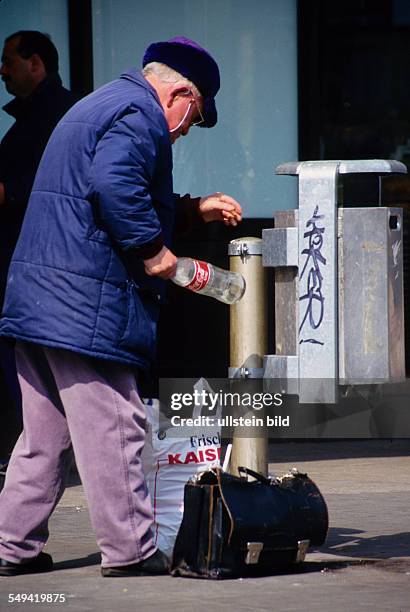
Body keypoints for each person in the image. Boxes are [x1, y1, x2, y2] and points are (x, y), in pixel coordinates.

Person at [0, 36, 242, 577]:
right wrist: (155, 253)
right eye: (193, 117)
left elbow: (97, 189)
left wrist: (192, 210)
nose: (184, 131)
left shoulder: (102, 102)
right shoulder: (139, 113)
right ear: (179, 92)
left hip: (41, 298)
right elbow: (114, 185)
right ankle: (131, 549)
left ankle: (11, 547)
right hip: (85, 303)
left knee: (45, 437)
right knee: (117, 424)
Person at [0, 31, 78, 456]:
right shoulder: (30, 119)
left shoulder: (61, 116)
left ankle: (38, 449)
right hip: (24, 264)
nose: (2, 70)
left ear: (36, 63)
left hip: (39, 266)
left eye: (9, 60)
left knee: (32, 366)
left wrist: (8, 191)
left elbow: (53, 185)